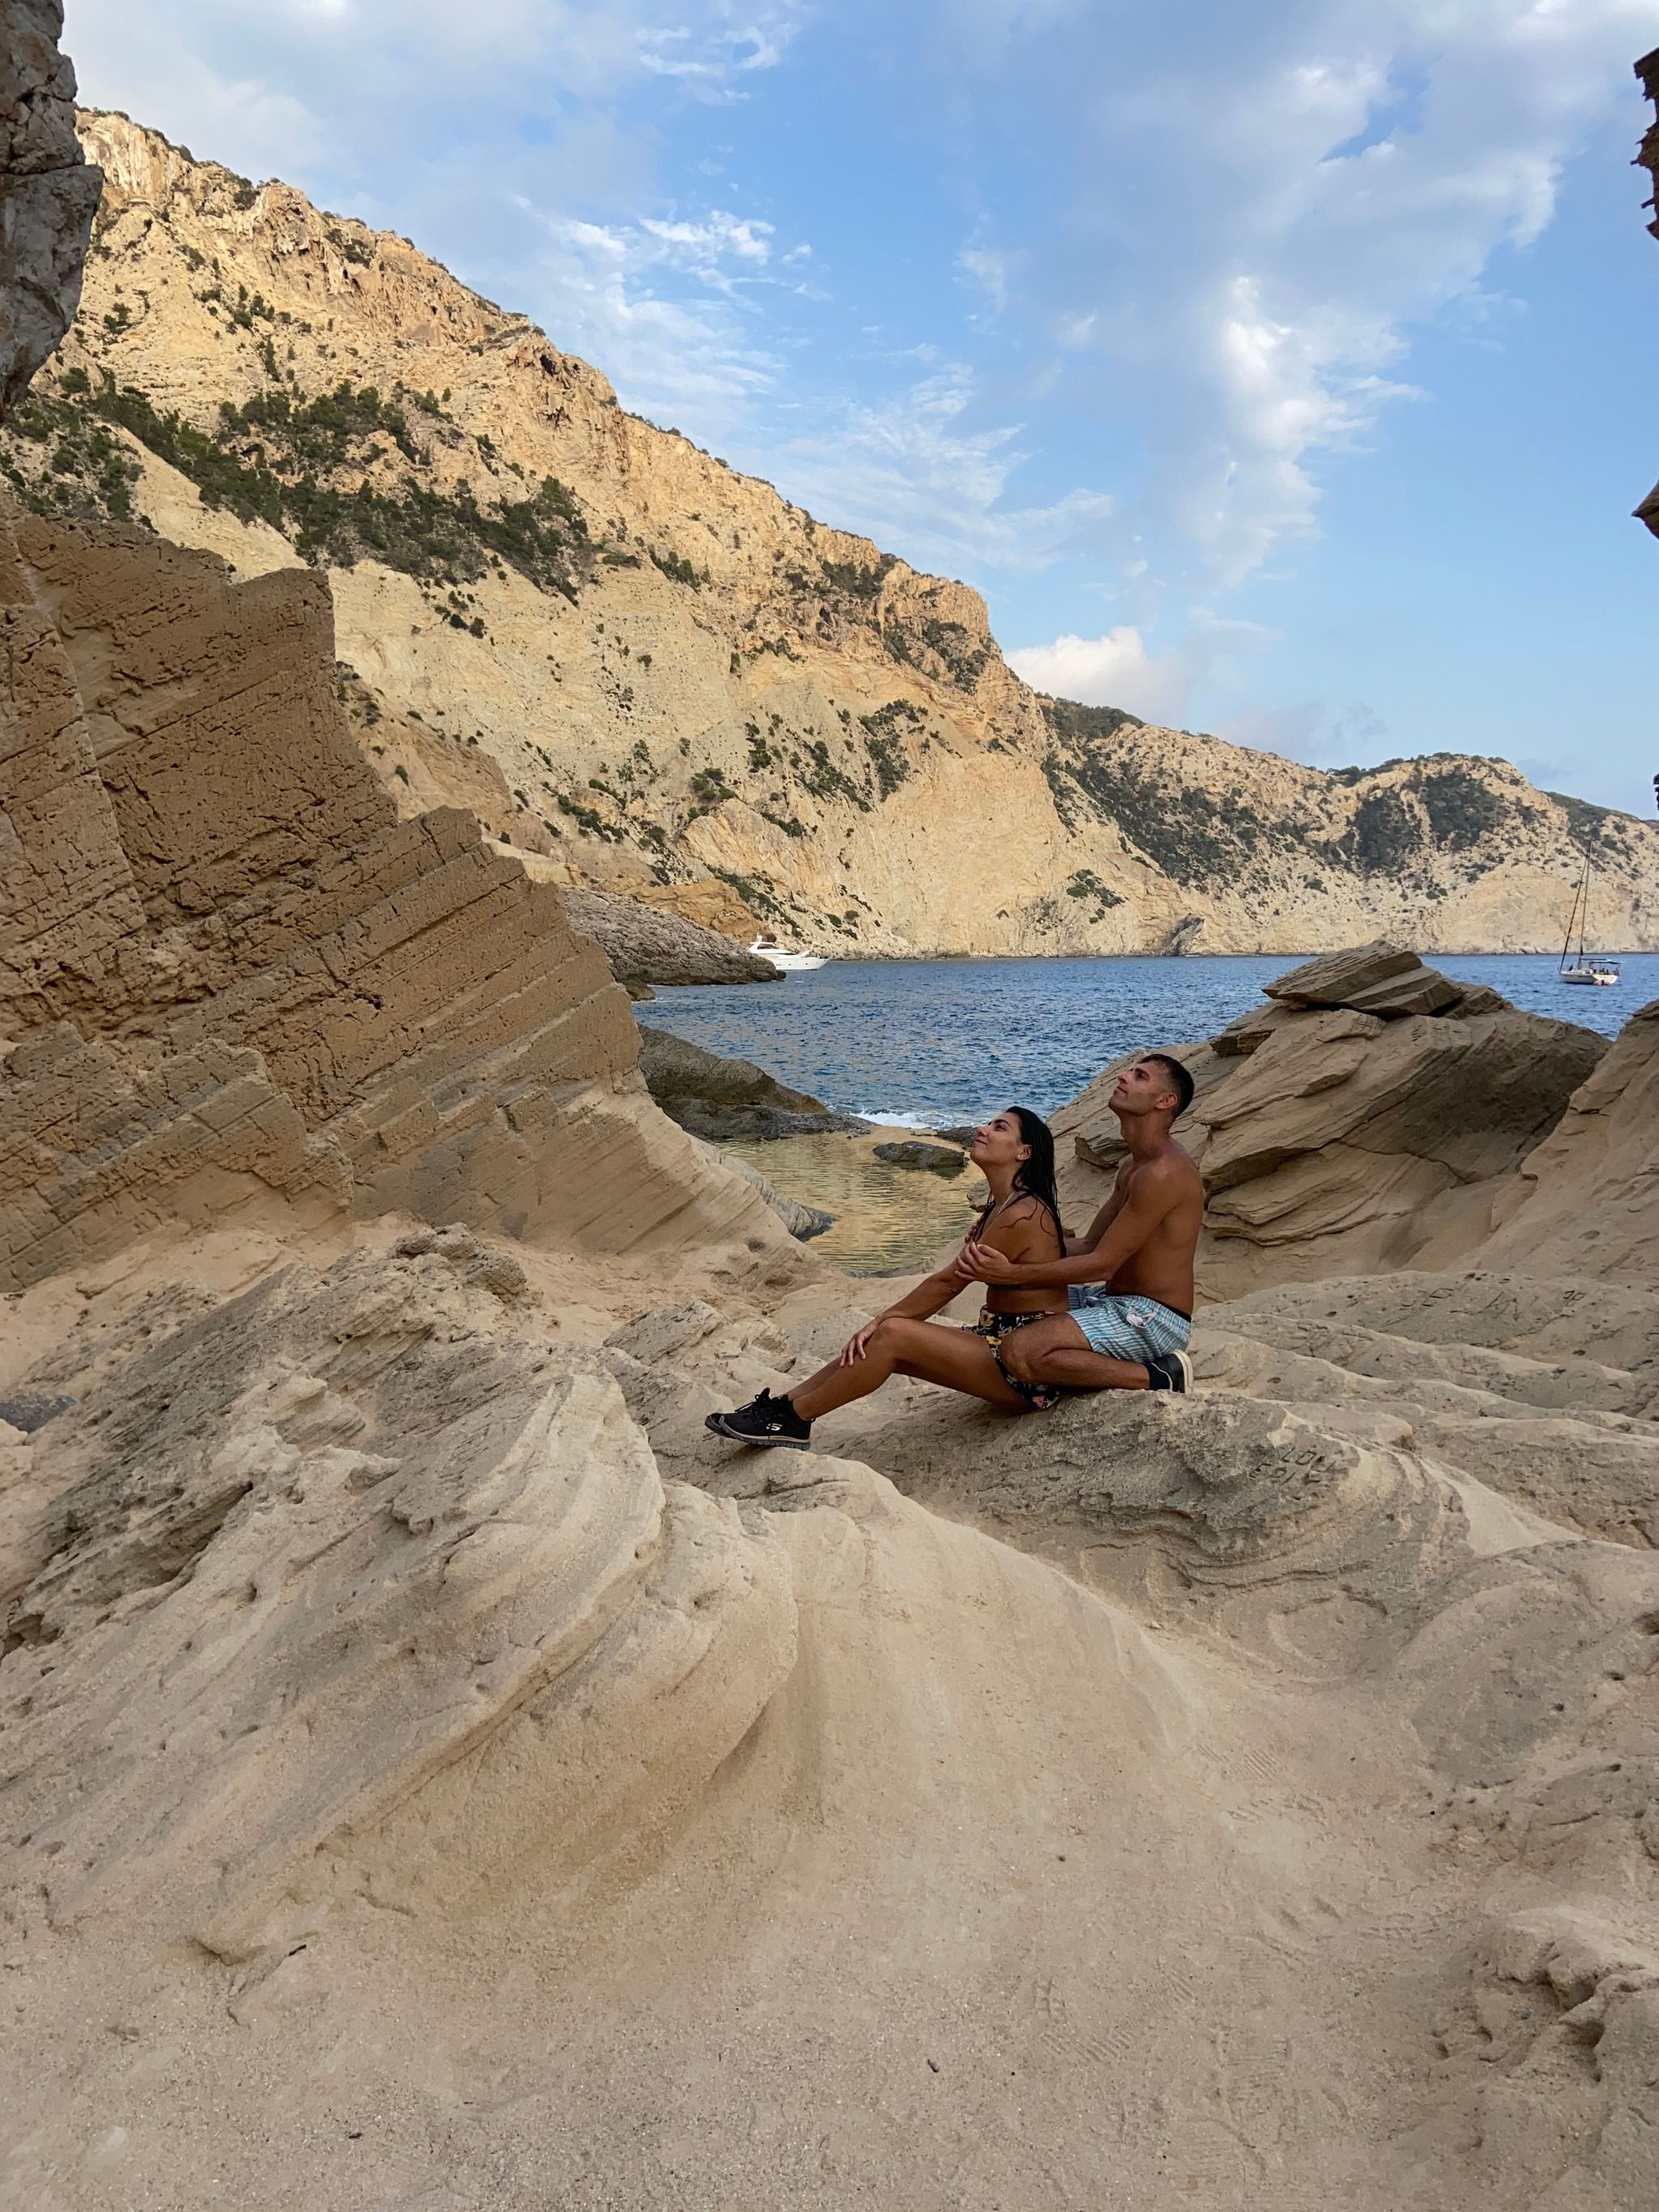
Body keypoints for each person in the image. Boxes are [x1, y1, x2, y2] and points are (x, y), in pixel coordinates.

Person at [705, 1106, 1066, 1449]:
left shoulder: (1022, 1214)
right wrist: (880, 1325)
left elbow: (948, 1283)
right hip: (999, 1342)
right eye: (988, 1123)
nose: (982, 1130)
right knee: (879, 1340)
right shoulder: (1004, 1205)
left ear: (1023, 1153)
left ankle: (796, 1418)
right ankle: (784, 1404)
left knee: (890, 1333)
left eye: (999, 1128)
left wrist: (882, 1320)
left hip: (1025, 1365)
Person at [958, 1052, 1201, 1402]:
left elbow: (1103, 1264)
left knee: (1021, 1350)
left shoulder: (1163, 1173)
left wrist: (1013, 1272)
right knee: (1015, 1299)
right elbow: (1087, 1245)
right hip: (1112, 1300)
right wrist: (1001, 1250)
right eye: (1130, 1071)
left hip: (1154, 1318)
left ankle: (1159, 1376)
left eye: (1140, 1077)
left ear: (1165, 1102)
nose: (1124, 1078)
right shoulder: (1134, 1166)